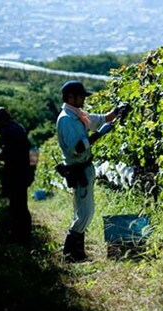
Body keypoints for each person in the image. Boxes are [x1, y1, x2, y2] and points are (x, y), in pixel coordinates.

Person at [56, 80, 130, 262]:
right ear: (70, 97)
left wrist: (116, 112)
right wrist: (100, 134)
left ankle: (77, 254)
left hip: (83, 168)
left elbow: (99, 119)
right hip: (78, 169)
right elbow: (79, 147)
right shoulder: (67, 119)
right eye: (81, 96)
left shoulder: (76, 115)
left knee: (84, 211)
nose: (84, 99)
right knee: (85, 213)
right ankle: (71, 254)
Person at [0, 106, 33, 245]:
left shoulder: (10, 131)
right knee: (20, 206)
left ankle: (22, 239)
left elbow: (7, 153)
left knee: (18, 207)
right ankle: (24, 237)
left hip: (17, 174)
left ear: (0, 120)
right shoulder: (16, 128)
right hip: (21, 173)